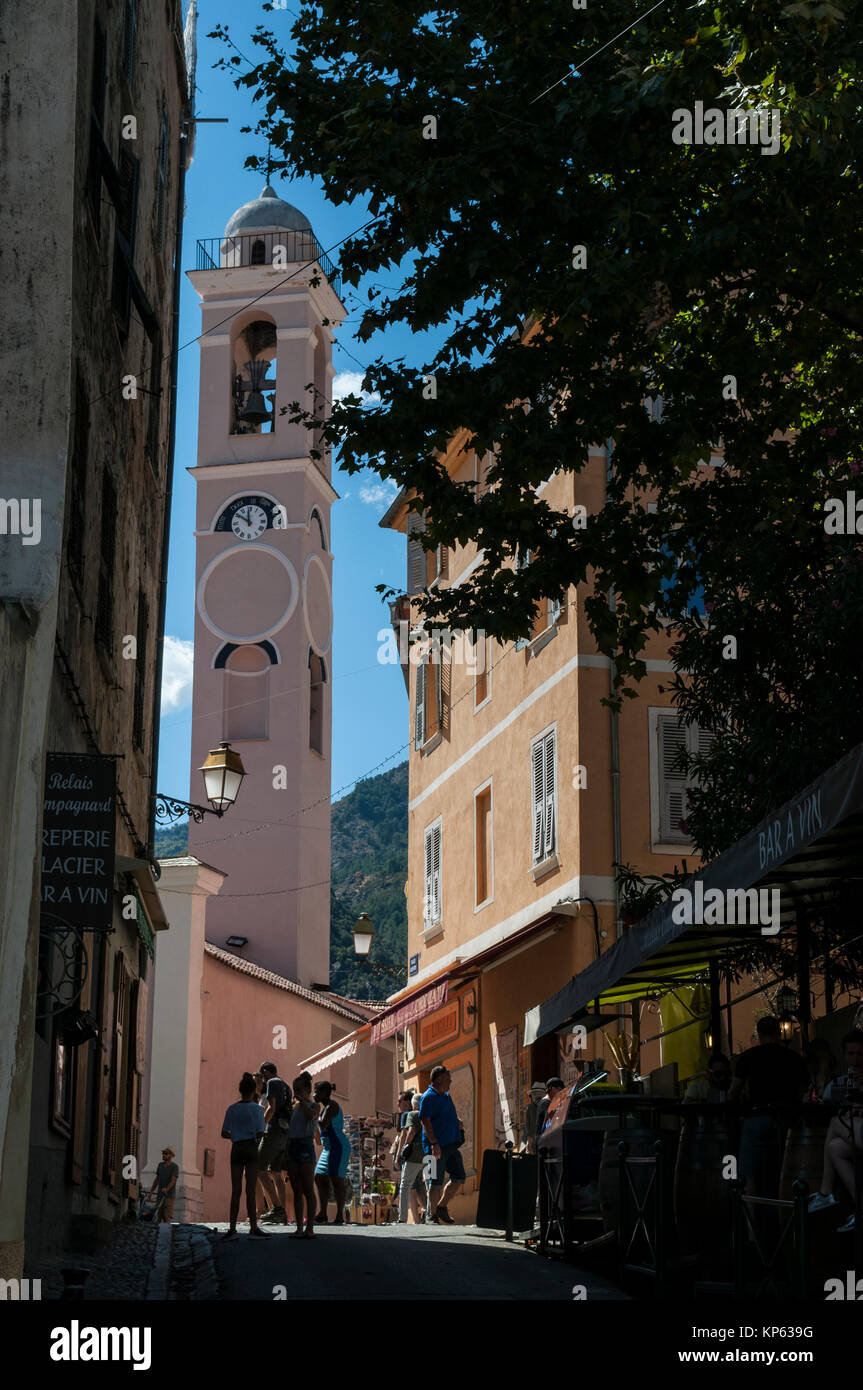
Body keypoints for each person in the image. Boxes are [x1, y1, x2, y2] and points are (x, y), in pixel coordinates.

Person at [728, 1016, 809, 1197]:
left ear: (759, 1033)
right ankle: (787, 1213)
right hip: (788, 1118)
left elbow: (734, 1091)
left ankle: (751, 1219)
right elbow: (805, 1088)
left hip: (758, 1116)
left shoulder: (748, 1057)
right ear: (779, 1032)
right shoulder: (793, 1057)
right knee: (788, 1168)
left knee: (747, 1172)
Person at [808, 1029, 863, 1231]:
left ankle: (825, 1193)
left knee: (835, 1122)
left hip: (858, 1132)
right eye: (851, 1054)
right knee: (834, 1148)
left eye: (860, 1054)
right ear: (844, 1055)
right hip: (855, 1136)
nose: (856, 1059)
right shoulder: (838, 1083)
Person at [220, 1073, 270, 1241]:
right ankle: (253, 1226)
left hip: (237, 1148)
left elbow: (224, 1132)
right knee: (250, 1190)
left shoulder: (232, 1109)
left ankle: (232, 1227)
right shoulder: (258, 1109)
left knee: (236, 1190)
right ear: (252, 1091)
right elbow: (261, 1132)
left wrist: (236, 1135)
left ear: (240, 1090)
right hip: (251, 1148)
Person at [419, 1065, 465, 1225]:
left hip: (451, 1145)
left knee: (459, 1177)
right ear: (438, 1080)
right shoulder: (428, 1097)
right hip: (433, 1147)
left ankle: (441, 1207)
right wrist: (434, 1143)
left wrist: (456, 1121)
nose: (450, 1081)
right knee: (434, 1182)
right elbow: (425, 1121)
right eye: (447, 1079)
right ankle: (432, 1216)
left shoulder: (445, 1095)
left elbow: (448, 1113)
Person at [257, 1061, 292, 1225]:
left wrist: (261, 1126)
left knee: (259, 1169)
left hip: (273, 1130)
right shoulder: (287, 1086)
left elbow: (272, 1106)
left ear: (265, 1072)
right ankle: (282, 1212)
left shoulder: (272, 1083)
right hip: (285, 1133)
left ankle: (277, 1209)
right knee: (276, 1173)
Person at [286, 1073, 320, 1239]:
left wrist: (303, 1100)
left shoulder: (314, 1106)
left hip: (306, 1145)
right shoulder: (293, 1108)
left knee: (308, 1188)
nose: (296, 1092)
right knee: (296, 1190)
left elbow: (311, 1116)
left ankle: (310, 1228)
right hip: (293, 1146)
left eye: (299, 1089)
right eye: (295, 1089)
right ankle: (299, 1227)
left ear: (307, 1089)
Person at [314, 1080, 350, 1224]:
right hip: (328, 1148)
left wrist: (312, 1112)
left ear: (323, 1093)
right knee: (319, 1177)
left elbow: (323, 1123)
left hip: (338, 1147)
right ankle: (322, 1212)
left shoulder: (332, 1106)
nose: (314, 1094)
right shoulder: (325, 1107)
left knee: (337, 1180)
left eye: (316, 1091)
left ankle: (340, 1215)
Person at [395, 1093, 426, 1223]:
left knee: (406, 1185)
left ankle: (403, 1218)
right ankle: (431, 1214)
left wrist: (401, 1152)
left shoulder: (411, 1115)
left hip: (415, 1155)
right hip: (430, 1154)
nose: (398, 1104)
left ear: (412, 1104)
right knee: (430, 1186)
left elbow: (408, 1132)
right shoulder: (431, 1115)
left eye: (400, 1101)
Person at [147, 1146, 179, 1223]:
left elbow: (173, 1180)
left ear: (171, 1155)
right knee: (159, 1215)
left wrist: (167, 1189)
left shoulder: (174, 1167)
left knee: (167, 1216)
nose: (163, 1155)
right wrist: (151, 1192)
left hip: (169, 1196)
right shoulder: (160, 1165)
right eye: (163, 1153)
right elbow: (157, 1179)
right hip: (160, 1195)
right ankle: (158, 1233)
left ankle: (166, 1233)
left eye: (166, 1153)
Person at [535, 1077, 566, 1143]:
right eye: (559, 1090)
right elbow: (551, 1119)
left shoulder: (545, 1102)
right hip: (543, 1141)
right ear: (552, 1089)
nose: (561, 1093)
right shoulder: (546, 1103)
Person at [523, 1082, 547, 1155]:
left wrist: (529, 1142)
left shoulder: (530, 1108)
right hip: (545, 1139)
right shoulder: (548, 1105)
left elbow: (528, 1127)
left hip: (535, 1140)